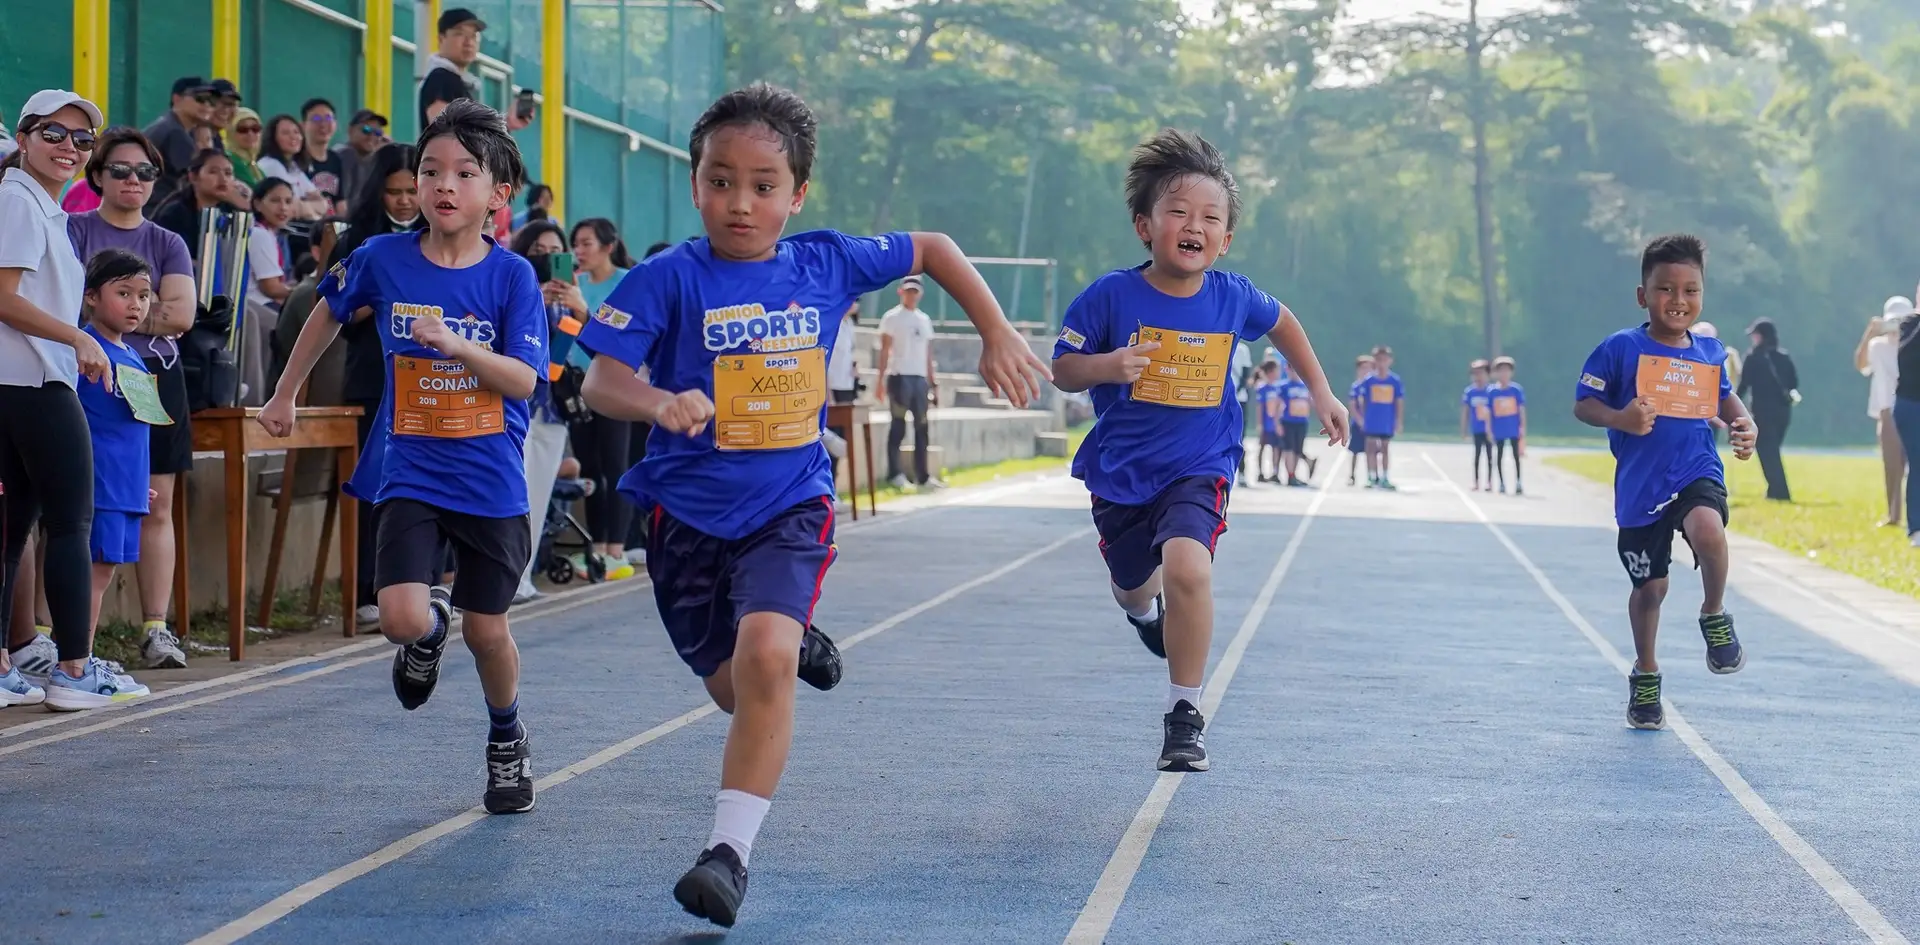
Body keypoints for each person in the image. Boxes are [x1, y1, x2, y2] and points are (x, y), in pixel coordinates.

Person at [577, 82, 1051, 928]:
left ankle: (728, 854)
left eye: (764, 185)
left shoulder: (826, 261)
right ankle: (791, 642)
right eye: (721, 180)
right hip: (685, 518)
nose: (740, 202)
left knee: (763, 662)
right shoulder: (665, 280)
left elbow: (933, 246)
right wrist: (659, 403)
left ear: (797, 194)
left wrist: (996, 329)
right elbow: (602, 381)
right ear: (694, 184)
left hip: (788, 503)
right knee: (737, 689)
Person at [259, 99, 545, 813]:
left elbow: (523, 380)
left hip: (489, 477)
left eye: (464, 172)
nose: (444, 185)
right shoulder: (383, 259)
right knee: (397, 616)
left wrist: (454, 344)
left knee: (488, 629)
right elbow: (328, 305)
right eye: (430, 171)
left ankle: (507, 736)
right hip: (411, 468)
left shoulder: (510, 278)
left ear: (497, 193)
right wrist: (285, 392)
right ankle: (427, 633)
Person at [1051, 128, 1347, 775]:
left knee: (1189, 569)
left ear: (1226, 238)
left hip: (1199, 464)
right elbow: (1065, 369)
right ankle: (1142, 612)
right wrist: (1108, 365)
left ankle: (1184, 715)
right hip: (1123, 474)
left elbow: (1284, 323)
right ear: (1144, 226)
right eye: (1179, 212)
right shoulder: (1110, 295)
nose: (1195, 225)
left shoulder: (1233, 296)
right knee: (1134, 587)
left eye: (1211, 217)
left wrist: (1320, 389)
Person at [0, 89, 152, 710]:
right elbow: (4, 297)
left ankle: (11, 666)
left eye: (81, 139)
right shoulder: (17, 199)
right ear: (25, 136)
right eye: (53, 133)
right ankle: (73, 669)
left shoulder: (37, 205)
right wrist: (78, 339)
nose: (68, 147)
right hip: (34, 382)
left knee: (14, 531)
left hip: (24, 381)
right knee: (69, 523)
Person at [1573, 233, 1756, 731]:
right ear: (1642, 295)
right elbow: (1584, 405)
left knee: (1708, 529)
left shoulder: (1710, 351)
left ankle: (1714, 612)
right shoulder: (1619, 348)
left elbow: (1725, 398)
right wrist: (1622, 418)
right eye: (1666, 290)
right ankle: (1646, 670)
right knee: (1650, 589)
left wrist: (1746, 424)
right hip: (1641, 487)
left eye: (1691, 290)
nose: (1679, 301)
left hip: (1695, 468)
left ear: (1703, 294)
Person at [66, 125, 197, 669]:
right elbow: (64, 306)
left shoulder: (168, 241)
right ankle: (57, 636)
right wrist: (139, 317)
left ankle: (155, 627)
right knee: (73, 514)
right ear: (96, 175)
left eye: (145, 172)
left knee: (156, 504)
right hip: (83, 372)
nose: (133, 180)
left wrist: (117, 313)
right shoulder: (73, 229)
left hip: (155, 381)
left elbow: (182, 316)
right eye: (120, 169)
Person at [76, 250, 161, 633]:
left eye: (143, 295)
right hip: (99, 482)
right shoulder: (84, 351)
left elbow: (133, 426)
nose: (136, 305)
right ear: (91, 296)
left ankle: (81, 657)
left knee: (104, 573)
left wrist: (138, 481)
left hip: (127, 485)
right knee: (93, 573)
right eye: (123, 293)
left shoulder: (133, 355)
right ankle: (77, 660)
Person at [876, 274, 941, 490]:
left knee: (922, 426)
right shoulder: (892, 318)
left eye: (915, 291)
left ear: (920, 294)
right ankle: (895, 473)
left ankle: (922, 476)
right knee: (898, 425)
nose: (911, 295)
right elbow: (885, 350)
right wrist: (880, 379)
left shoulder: (924, 320)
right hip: (899, 376)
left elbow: (928, 354)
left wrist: (933, 382)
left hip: (919, 378)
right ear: (901, 292)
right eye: (908, 291)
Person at [1857, 297, 1907, 527]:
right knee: (1891, 466)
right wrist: (1870, 333)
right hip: (1887, 409)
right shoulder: (1878, 346)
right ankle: (1893, 514)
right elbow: (1861, 364)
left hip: (1912, 405)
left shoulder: (1912, 343)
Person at [1738, 317, 1797, 501]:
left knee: (1767, 451)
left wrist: (1731, 406)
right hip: (1783, 412)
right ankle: (1774, 490)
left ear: (1761, 336)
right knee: (1772, 451)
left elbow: (1744, 385)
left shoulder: (1753, 357)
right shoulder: (1784, 357)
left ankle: (1780, 492)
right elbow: (1794, 382)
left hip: (1762, 412)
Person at [1357, 345, 1404, 490]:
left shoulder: (1394, 381)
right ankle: (1371, 476)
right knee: (1370, 448)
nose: (1381, 363)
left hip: (1387, 420)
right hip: (1372, 420)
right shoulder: (1369, 381)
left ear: (1390, 361)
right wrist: (1363, 418)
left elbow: (1399, 402)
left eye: (1384, 360)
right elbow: (1363, 400)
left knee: (1385, 448)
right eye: (1378, 360)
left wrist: (1398, 420)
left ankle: (1384, 477)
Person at [1488, 356, 1526, 494]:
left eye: (1507, 371)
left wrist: (1522, 428)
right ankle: (1502, 482)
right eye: (1501, 371)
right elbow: (1488, 412)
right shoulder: (1492, 391)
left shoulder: (1516, 390)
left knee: (1516, 456)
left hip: (1513, 428)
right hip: (1499, 428)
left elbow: (1521, 410)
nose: (1504, 374)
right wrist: (1488, 429)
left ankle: (1518, 481)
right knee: (1499, 455)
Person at [1278, 359, 1316, 486]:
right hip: (1288, 421)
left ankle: (1294, 474)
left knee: (1297, 450)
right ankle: (1290, 476)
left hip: (1301, 421)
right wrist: (1277, 422)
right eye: (1291, 369)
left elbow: (1310, 402)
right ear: (1287, 370)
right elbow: (1278, 405)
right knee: (1289, 449)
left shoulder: (1305, 386)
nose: (1293, 373)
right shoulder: (1284, 386)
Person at [1462, 359, 1493, 491]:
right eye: (1475, 374)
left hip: (1489, 429)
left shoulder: (1491, 391)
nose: (1478, 377)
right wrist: (1463, 429)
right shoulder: (1470, 392)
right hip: (1476, 428)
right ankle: (1476, 481)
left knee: (1490, 455)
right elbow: (1465, 411)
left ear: (1487, 375)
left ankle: (1489, 481)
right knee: (1477, 455)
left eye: (1481, 373)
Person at [1253, 359, 1283, 482]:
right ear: (1270, 372)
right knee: (1262, 447)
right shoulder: (1263, 388)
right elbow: (1260, 407)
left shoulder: (1278, 388)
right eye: (1276, 370)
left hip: (1276, 425)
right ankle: (1260, 472)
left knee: (1276, 448)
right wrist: (1260, 424)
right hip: (1266, 424)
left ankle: (1275, 472)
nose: (1278, 373)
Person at [1345, 354, 1371, 486]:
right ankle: (1352, 475)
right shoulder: (1356, 386)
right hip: (1358, 424)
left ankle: (1371, 475)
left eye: (1369, 368)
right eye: (1364, 368)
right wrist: (1360, 420)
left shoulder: (1373, 385)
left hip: (1372, 425)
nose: (1366, 371)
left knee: (1371, 451)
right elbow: (1353, 405)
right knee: (1354, 450)